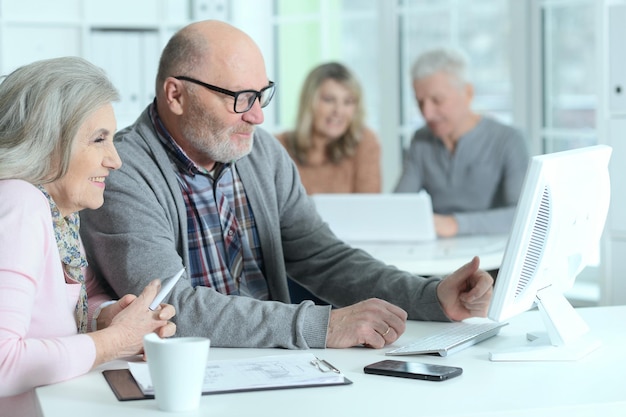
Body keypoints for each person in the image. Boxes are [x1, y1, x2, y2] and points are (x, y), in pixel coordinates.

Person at [80, 20, 494, 352]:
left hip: (280, 361)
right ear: (176, 95)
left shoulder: (260, 154)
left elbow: (324, 258)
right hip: (195, 374)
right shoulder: (120, 171)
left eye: (261, 95)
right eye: (241, 98)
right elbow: (169, 307)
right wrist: (323, 325)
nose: (258, 117)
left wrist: (431, 296)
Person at [0, 57, 176, 411]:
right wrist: (116, 340)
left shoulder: (60, 219)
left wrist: (106, 317)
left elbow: (75, 300)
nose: (115, 160)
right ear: (46, 143)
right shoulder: (20, 203)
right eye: (99, 140)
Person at [394, 47, 529, 237]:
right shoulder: (421, 141)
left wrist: (455, 224)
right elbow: (398, 206)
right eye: (420, 102)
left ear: (468, 93)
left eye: (437, 100)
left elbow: (523, 215)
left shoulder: (509, 140)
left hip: (492, 256)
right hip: (438, 254)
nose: (426, 113)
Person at [275, 62, 381, 194]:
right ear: (309, 102)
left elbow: (368, 207)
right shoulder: (278, 146)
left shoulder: (364, 142)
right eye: (329, 100)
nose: (339, 111)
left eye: (348, 102)